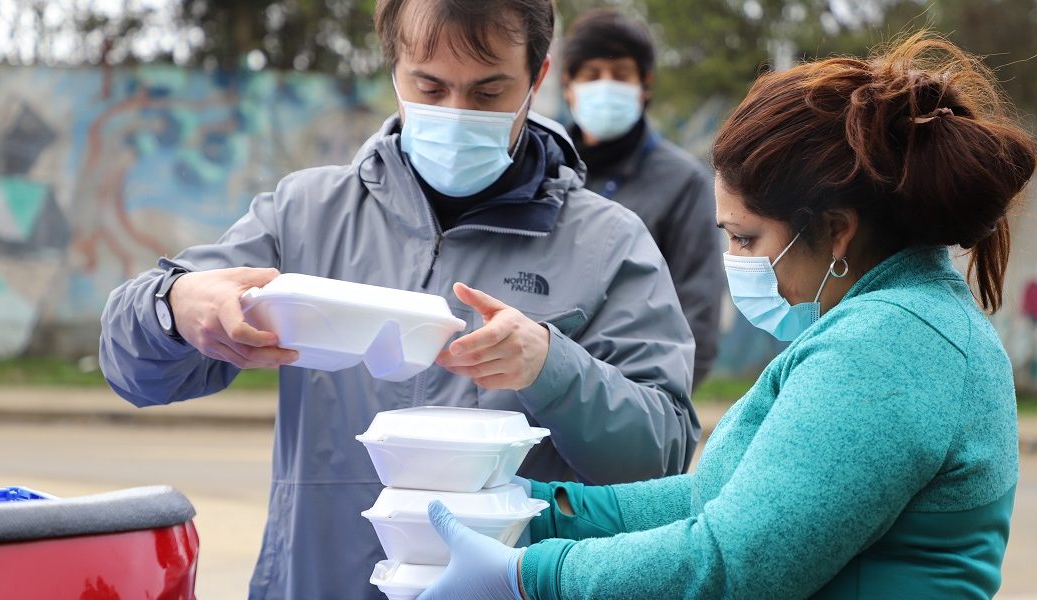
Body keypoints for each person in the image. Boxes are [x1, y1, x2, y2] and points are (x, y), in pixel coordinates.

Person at [98, 0, 701, 597]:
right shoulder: (305, 214)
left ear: (538, 78)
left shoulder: (609, 244)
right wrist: (175, 307)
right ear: (393, 69)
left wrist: (554, 368)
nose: (457, 113)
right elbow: (133, 371)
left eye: (489, 93)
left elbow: (662, 463)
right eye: (430, 87)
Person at [418, 32, 1037, 600]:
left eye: (744, 239)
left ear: (836, 232)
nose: (733, 260)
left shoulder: (886, 346)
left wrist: (530, 577)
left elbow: (729, 563)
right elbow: (720, 500)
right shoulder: (902, 321)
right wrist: (544, 509)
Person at [561, 10, 723, 386]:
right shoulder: (543, 171)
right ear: (568, 84)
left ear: (644, 84)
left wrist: (660, 407)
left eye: (620, 74)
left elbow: (697, 311)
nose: (605, 86)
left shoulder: (683, 183)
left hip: (631, 398)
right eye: (591, 74)